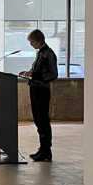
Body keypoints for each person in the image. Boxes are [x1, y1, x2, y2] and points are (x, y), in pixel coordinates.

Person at [19, 29, 58, 161]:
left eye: (31, 42)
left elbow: (53, 74)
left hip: (42, 90)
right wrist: (29, 72)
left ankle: (46, 152)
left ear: (39, 40)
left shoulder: (48, 53)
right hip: (35, 89)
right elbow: (38, 70)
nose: (30, 44)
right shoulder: (40, 53)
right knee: (38, 120)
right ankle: (42, 149)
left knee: (43, 121)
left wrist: (35, 75)